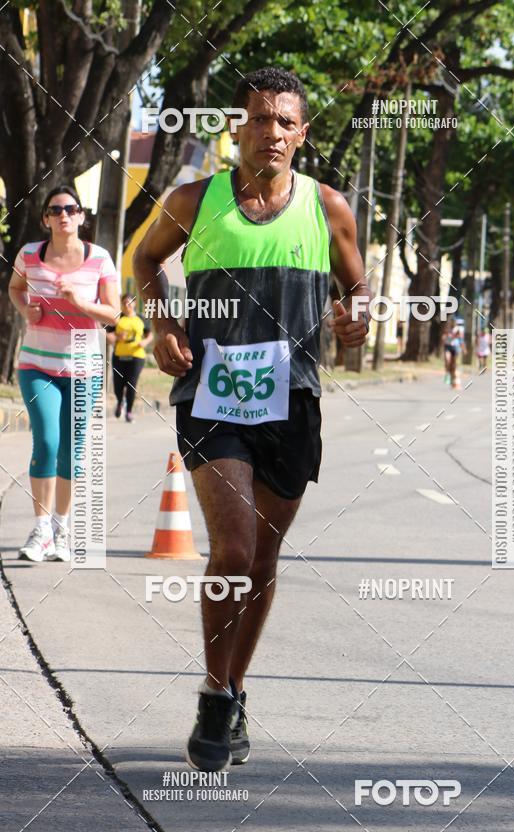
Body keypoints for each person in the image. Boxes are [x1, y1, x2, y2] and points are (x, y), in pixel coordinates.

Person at [133, 67, 369, 772]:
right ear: (237, 129)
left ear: (302, 134)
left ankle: (234, 687)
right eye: (259, 119)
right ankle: (214, 691)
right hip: (212, 395)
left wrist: (354, 313)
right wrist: (162, 321)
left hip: (293, 399)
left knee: (263, 560)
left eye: (284, 122)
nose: (271, 132)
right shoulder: (192, 200)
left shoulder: (328, 208)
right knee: (232, 551)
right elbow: (144, 259)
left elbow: (355, 280)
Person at [8, 185, 119, 562]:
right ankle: (40, 531)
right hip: (37, 365)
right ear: (45, 219)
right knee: (48, 442)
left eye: (71, 209)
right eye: (55, 210)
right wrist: (26, 311)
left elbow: (113, 313)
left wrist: (79, 302)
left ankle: (61, 527)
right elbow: (14, 288)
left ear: (81, 217)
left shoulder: (99, 259)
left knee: (73, 451)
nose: (63, 215)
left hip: (85, 370)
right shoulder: (29, 255)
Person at [106, 293, 152, 422]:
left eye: (130, 302)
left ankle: (129, 412)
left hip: (136, 356)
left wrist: (144, 342)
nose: (127, 305)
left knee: (131, 384)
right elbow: (107, 334)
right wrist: (115, 337)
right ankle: (120, 402)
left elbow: (150, 335)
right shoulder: (117, 318)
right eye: (125, 302)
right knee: (118, 384)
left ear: (134, 303)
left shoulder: (141, 318)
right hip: (119, 355)